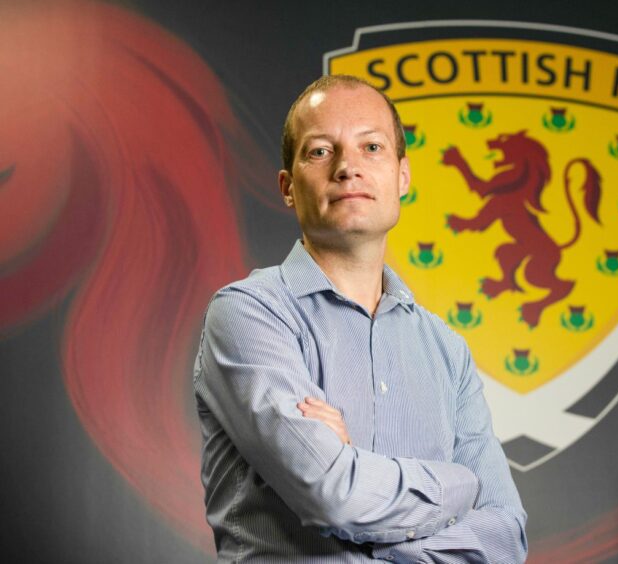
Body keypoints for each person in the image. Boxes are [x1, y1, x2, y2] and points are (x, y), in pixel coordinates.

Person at [193, 75, 528, 563]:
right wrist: (460, 486)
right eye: (320, 151)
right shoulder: (248, 314)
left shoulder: (446, 350)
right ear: (288, 188)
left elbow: (505, 536)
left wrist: (354, 474)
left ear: (402, 176)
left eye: (371, 147)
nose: (348, 167)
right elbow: (332, 494)